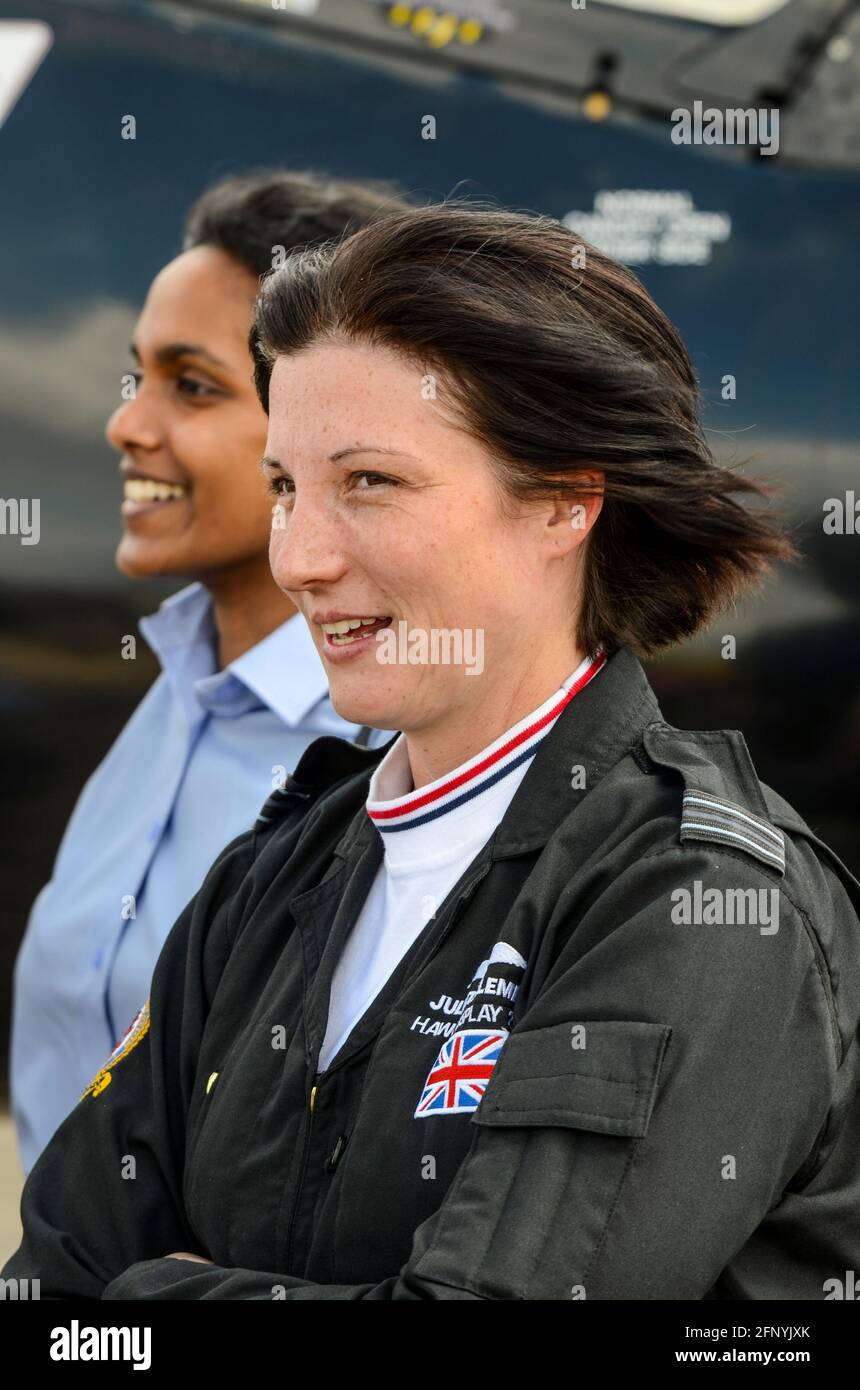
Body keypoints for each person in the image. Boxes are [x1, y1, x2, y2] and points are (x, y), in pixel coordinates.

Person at [4, 202, 859, 1299]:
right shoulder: (269, 879)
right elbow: (53, 1282)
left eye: (369, 482)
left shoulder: (704, 905)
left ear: (563, 500)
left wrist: (159, 1295)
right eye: (284, 488)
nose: (302, 558)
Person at [10, 170, 404, 1174]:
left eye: (191, 385)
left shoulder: (390, 752)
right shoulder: (181, 676)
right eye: (134, 375)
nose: (126, 425)